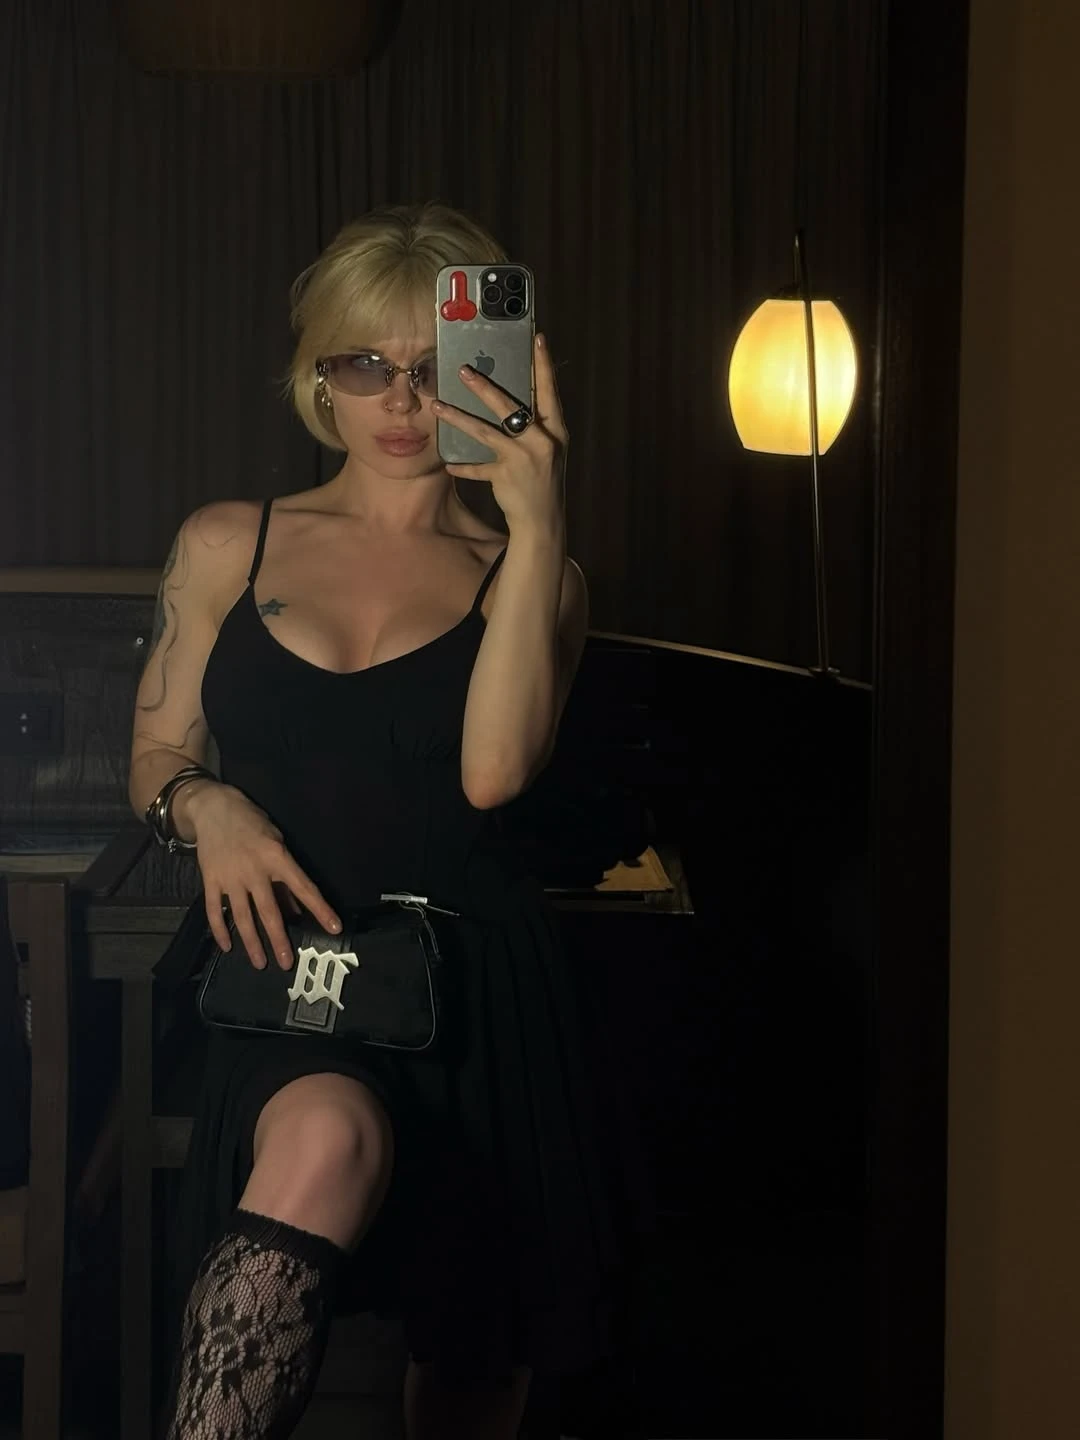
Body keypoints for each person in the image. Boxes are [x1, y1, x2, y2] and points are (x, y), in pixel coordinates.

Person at [128, 202, 633, 1440]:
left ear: (496, 373)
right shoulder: (227, 543)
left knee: (467, 1378)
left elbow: (494, 775)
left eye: (435, 366)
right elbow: (154, 754)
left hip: (477, 999)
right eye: (364, 364)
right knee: (323, 1136)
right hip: (291, 980)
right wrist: (207, 803)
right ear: (318, 378)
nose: (400, 400)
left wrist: (539, 517)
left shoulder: (536, 577)